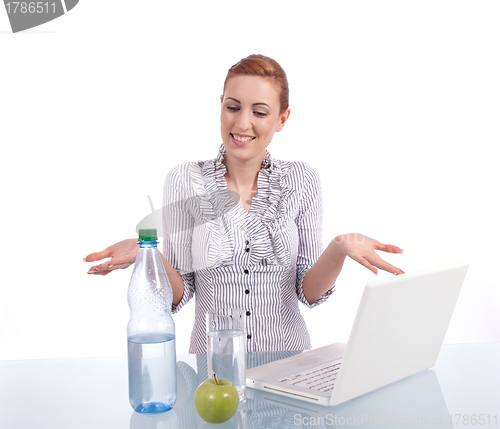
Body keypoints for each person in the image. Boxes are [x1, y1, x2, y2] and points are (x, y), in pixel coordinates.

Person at [84, 54, 404, 353]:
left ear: (281, 119)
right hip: (212, 370)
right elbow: (179, 294)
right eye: (233, 107)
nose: (242, 123)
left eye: (260, 112)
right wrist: (147, 252)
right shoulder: (185, 179)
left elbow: (309, 292)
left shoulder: (301, 180)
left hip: (288, 363)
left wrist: (339, 248)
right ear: (220, 105)